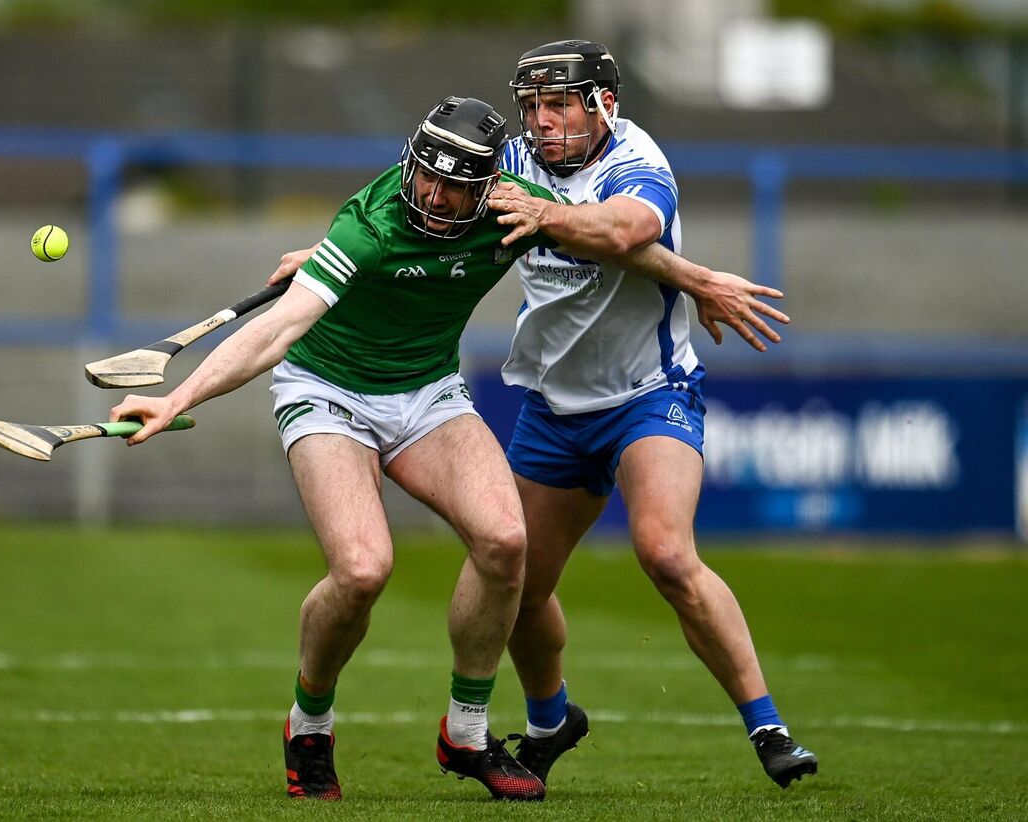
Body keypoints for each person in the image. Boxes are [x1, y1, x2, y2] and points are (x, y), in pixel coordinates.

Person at [109, 96, 564, 802]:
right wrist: (175, 401)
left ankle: (468, 735)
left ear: (487, 188)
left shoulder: (518, 211)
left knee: (506, 540)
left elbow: (618, 237)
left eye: (454, 188)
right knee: (360, 570)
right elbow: (278, 329)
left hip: (427, 391)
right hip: (328, 389)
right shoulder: (370, 226)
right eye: (424, 177)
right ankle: (310, 724)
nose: (434, 198)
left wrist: (698, 280)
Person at [482, 39, 819, 789]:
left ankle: (768, 727)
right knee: (519, 586)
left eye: (560, 103)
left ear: (606, 105)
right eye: (532, 105)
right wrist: (325, 257)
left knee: (666, 552)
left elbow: (623, 233)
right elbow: (425, 212)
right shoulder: (510, 160)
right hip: (552, 404)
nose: (542, 121)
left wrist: (542, 212)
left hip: (648, 393)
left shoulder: (639, 160)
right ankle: (550, 720)